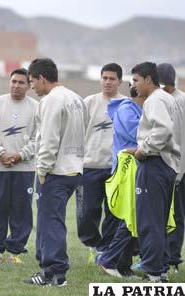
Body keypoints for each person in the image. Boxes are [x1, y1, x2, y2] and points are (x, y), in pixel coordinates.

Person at [23, 58, 85, 287]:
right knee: (53, 220)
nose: (31, 87)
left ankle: (55, 274)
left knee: (50, 223)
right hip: (75, 169)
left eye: (32, 81)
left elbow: (49, 139)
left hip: (55, 171)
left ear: (41, 78)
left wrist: (43, 170)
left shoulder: (50, 101)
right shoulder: (76, 98)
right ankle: (49, 269)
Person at [129, 62, 180, 282]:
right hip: (165, 164)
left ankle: (152, 272)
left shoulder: (155, 99)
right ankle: (159, 271)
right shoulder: (168, 98)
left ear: (148, 79)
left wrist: (143, 150)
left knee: (149, 221)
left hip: (155, 164)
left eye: (136, 80)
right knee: (158, 221)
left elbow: (163, 130)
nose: (134, 86)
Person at [0, 68, 37, 264]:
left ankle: (16, 252)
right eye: (13, 81)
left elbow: (39, 138)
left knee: (22, 210)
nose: (16, 85)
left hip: (24, 169)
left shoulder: (36, 107)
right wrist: (1, 154)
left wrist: (21, 155)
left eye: (21, 82)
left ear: (29, 86)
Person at [76, 63, 124, 262]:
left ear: (120, 81)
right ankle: (92, 244)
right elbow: (78, 132)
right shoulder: (89, 102)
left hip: (117, 167)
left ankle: (105, 249)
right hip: (90, 166)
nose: (107, 82)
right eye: (104, 78)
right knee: (87, 212)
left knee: (113, 212)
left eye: (112, 78)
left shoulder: (126, 104)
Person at [96, 82, 144, 278]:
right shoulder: (126, 109)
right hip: (126, 172)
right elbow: (137, 136)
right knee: (129, 217)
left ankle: (124, 265)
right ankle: (108, 259)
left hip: (135, 171)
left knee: (133, 217)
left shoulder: (138, 109)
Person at [157, 63, 185, 274]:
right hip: (178, 166)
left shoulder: (169, 102)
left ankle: (170, 259)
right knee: (175, 214)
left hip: (175, 167)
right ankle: (168, 258)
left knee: (172, 215)